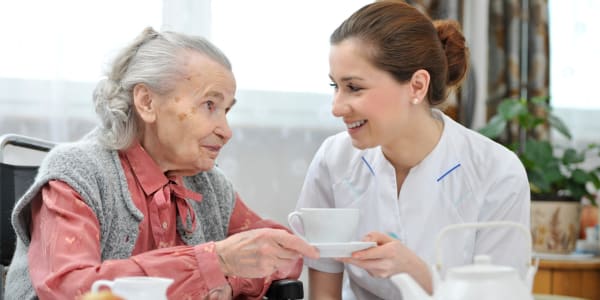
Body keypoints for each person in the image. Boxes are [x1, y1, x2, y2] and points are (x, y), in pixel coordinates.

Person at [6, 27, 319, 300]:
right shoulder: (78, 173)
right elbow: (71, 289)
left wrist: (230, 279)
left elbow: (283, 253)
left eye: (226, 110)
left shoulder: (207, 182)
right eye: (210, 105)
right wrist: (214, 262)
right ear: (146, 102)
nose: (226, 131)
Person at [294, 1, 530, 299]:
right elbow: (324, 293)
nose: (337, 107)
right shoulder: (334, 159)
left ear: (417, 86)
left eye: (354, 88)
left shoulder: (496, 172)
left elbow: (500, 295)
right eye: (335, 87)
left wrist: (412, 270)